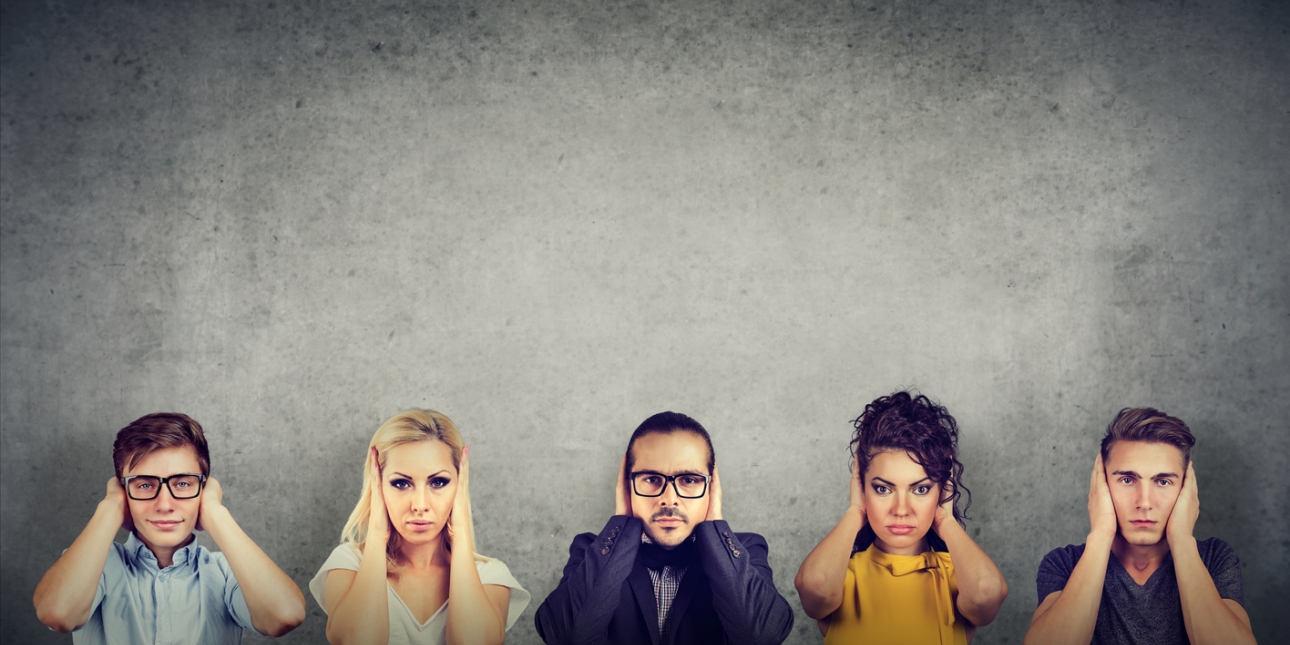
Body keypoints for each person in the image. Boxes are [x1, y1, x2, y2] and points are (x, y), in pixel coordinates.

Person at [33, 412, 305, 643]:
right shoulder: (96, 566)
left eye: (183, 484)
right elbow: (58, 613)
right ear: (124, 491)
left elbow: (284, 616)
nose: (164, 504)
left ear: (204, 488)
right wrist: (111, 507)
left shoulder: (226, 573)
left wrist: (215, 512)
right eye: (144, 484)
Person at [534, 411, 794, 645]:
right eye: (651, 479)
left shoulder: (746, 549)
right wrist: (622, 521)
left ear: (711, 487)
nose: (669, 498)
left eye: (689, 480)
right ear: (627, 485)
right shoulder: (592, 550)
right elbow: (564, 637)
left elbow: (762, 636)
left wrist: (715, 522)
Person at [1024, 407, 1256, 645]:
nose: (1144, 502)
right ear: (1101, 484)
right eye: (1127, 480)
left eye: (1163, 481)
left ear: (1186, 488)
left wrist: (1182, 540)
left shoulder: (1214, 559)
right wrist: (1102, 534)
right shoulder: (1064, 564)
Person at [795, 391, 1008, 644]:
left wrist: (946, 521)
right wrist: (855, 511)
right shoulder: (841, 578)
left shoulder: (957, 578)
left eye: (921, 489)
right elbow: (816, 585)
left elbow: (987, 592)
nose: (901, 509)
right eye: (883, 489)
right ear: (862, 489)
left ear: (942, 491)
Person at [310, 409, 530, 645]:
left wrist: (461, 530)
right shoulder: (349, 563)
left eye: (438, 482)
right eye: (401, 483)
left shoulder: (490, 575)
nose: (420, 505)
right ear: (379, 485)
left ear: (460, 484)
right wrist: (376, 533)